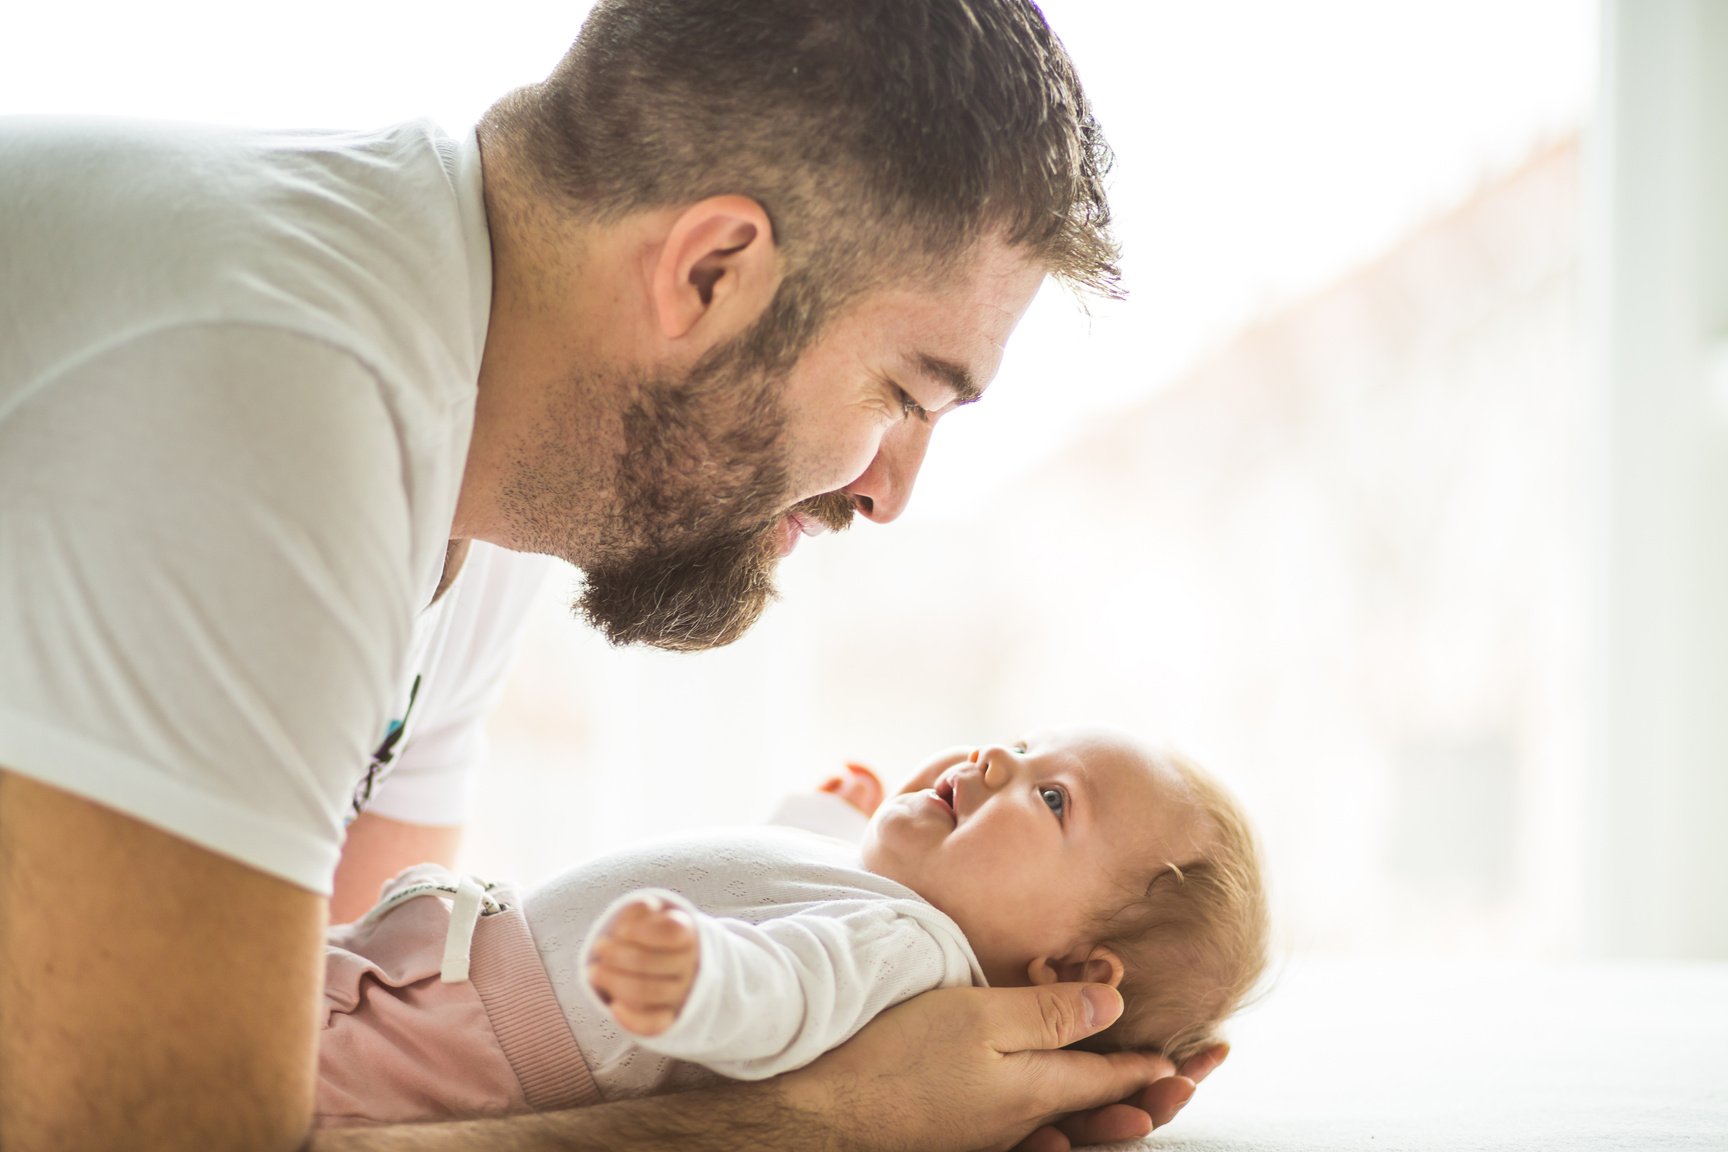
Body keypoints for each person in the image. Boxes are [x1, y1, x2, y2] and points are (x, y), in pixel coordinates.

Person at [0, 2, 1225, 1148]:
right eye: (905, 395)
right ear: (711, 273)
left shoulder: (466, 488)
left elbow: (350, 1048)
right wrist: (819, 1123)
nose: (887, 494)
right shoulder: (278, 400)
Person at [314, 727, 1269, 1128]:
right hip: (429, 981)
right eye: (1020, 744)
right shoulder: (885, 903)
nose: (993, 757)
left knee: (223, 1090)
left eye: (1051, 797)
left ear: (1068, 968)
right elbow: (774, 891)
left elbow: (784, 988)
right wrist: (814, 823)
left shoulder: (913, 955)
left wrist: (699, 980)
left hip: (438, 1051)